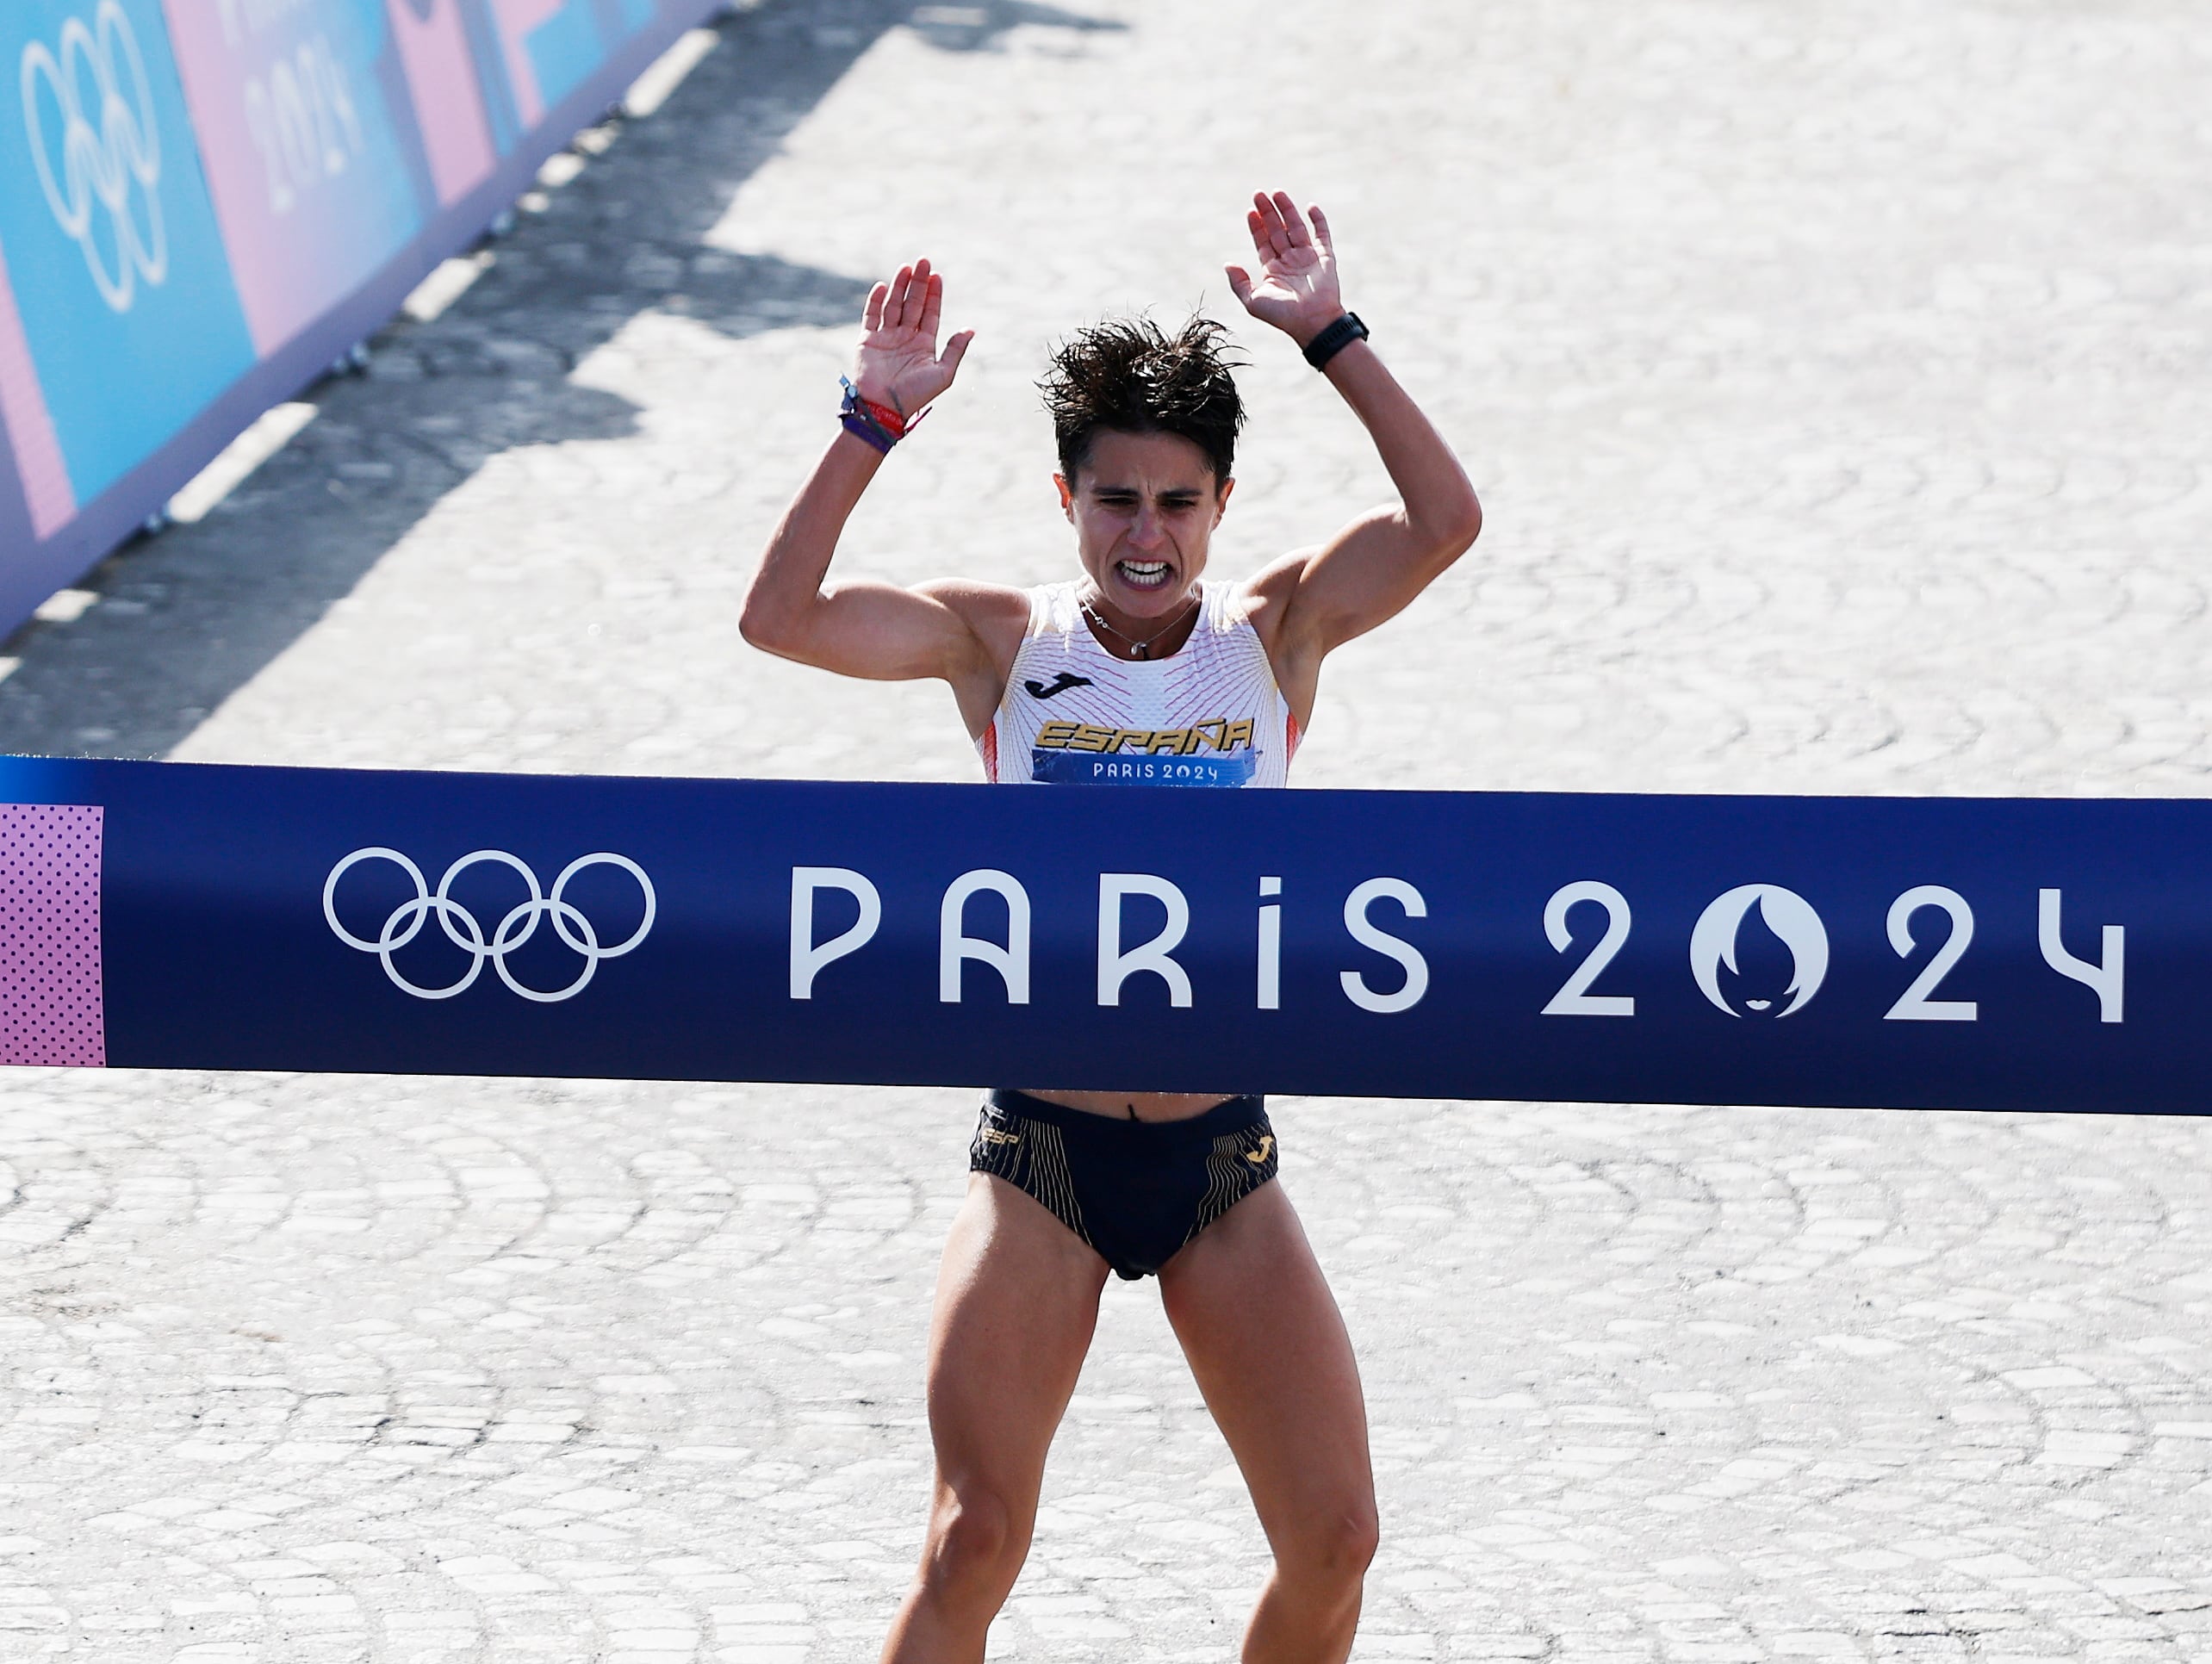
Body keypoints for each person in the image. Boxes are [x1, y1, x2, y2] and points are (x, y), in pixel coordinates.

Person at [739, 191, 1482, 1664]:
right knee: (973, 1544)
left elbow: (1445, 523)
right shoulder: (1003, 644)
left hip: (1218, 1156)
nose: (1146, 536)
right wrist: (869, 424)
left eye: (1178, 503)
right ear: (1065, 500)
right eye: (1115, 501)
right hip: (1047, 1156)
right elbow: (781, 616)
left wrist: (1330, 334)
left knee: (1337, 1544)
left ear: (1219, 507)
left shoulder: (1275, 635)